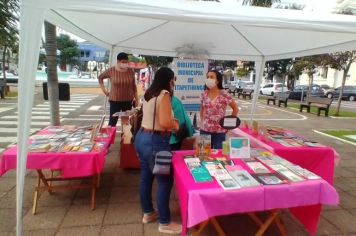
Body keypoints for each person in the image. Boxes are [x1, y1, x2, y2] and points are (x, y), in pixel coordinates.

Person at [134, 67, 182, 235]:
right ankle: (165, 222)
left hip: (142, 138)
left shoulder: (149, 92)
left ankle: (148, 213)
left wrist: (169, 120)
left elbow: (155, 117)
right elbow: (165, 122)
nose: (173, 83)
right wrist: (175, 125)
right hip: (157, 143)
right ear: (169, 80)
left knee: (146, 178)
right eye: (173, 80)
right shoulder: (164, 95)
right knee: (164, 181)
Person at [200, 69, 238, 149]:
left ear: (217, 81)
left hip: (219, 131)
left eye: (211, 77)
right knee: (204, 154)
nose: (209, 79)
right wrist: (202, 122)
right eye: (207, 77)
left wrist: (228, 125)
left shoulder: (224, 94)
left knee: (219, 156)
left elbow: (235, 109)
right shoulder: (204, 94)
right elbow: (202, 109)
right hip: (205, 130)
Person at [98, 52, 138, 126]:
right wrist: (105, 91)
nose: (125, 64)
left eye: (126, 62)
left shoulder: (130, 71)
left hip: (128, 101)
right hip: (114, 101)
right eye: (123, 62)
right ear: (118, 61)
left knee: (126, 123)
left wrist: (137, 99)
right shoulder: (111, 70)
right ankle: (111, 136)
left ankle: (126, 137)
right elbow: (100, 78)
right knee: (112, 122)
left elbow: (134, 86)